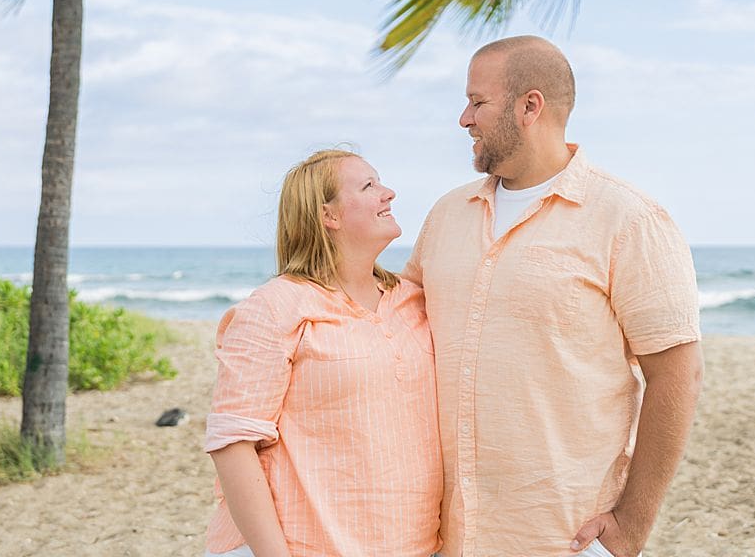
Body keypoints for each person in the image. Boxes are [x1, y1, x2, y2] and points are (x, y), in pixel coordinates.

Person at [402, 36, 704, 557]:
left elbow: (678, 374)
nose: (463, 119)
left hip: (562, 537)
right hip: (444, 535)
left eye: (477, 102)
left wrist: (631, 525)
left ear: (529, 106)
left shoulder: (628, 219)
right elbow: (394, 326)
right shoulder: (447, 214)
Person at [203, 149, 442, 557]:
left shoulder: (415, 301)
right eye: (369, 186)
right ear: (327, 216)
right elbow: (233, 444)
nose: (389, 193)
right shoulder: (275, 307)